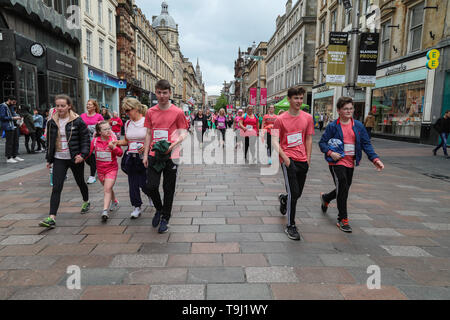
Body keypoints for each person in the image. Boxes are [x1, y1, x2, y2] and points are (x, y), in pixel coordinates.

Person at [319, 96, 384, 233]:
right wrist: (330, 153)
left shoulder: (359, 126)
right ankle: (343, 219)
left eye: (351, 108)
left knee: (343, 189)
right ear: (339, 110)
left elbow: (366, 144)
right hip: (337, 162)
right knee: (342, 185)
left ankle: (326, 197)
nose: (349, 111)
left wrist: (375, 159)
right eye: (345, 109)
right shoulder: (333, 126)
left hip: (350, 162)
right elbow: (322, 143)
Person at [143, 80, 188, 234]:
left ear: (170, 93)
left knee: (168, 188)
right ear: (155, 92)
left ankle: (165, 218)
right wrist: (145, 154)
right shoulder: (150, 112)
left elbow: (183, 133)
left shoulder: (178, 112)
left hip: (171, 155)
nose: (162, 96)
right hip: (154, 154)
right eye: (159, 92)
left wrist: (172, 144)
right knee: (151, 186)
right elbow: (148, 133)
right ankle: (159, 209)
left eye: (165, 93)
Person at [39, 94, 91, 229]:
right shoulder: (51, 122)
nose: (60, 108)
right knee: (56, 187)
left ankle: (86, 200)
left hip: (75, 158)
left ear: (69, 106)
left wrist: (82, 155)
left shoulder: (78, 121)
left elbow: (85, 140)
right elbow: (50, 142)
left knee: (80, 182)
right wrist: (49, 159)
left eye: (63, 106)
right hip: (59, 159)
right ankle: (51, 217)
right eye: (57, 106)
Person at [272, 87, 314, 241]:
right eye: (296, 98)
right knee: (294, 194)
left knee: (297, 194)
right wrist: (285, 158)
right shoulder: (280, 119)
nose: (299, 101)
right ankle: (290, 225)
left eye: (301, 98)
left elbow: (309, 138)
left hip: (303, 160)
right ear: (289, 99)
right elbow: (275, 141)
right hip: (288, 160)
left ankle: (284, 199)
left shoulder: (308, 118)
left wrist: (308, 158)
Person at [117, 98, 152, 219]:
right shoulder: (127, 124)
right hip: (131, 157)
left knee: (144, 183)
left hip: (144, 157)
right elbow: (127, 141)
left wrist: (146, 146)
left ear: (136, 108)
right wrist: (115, 143)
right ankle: (137, 207)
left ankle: (150, 195)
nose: (127, 113)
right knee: (133, 184)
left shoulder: (146, 122)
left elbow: (153, 139)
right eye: (125, 111)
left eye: (128, 110)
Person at [89, 121, 123, 221]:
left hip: (111, 169)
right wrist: (81, 157)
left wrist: (114, 147)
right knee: (108, 188)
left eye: (109, 128)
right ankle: (114, 201)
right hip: (100, 170)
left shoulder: (114, 140)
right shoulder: (95, 141)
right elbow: (88, 152)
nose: (108, 131)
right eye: (105, 129)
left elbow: (120, 153)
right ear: (99, 131)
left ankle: (104, 211)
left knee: (107, 189)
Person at [81, 100, 104, 184]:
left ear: (94, 107)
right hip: (84, 139)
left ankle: (92, 176)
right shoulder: (82, 115)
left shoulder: (99, 116)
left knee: (92, 157)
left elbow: (102, 127)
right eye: (87, 104)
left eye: (90, 104)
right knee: (86, 158)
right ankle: (97, 167)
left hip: (95, 140)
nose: (88, 106)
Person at [0, 96, 24, 163]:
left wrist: (18, 117)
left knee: (16, 141)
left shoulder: (11, 106)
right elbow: (2, 117)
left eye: (15, 102)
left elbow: (13, 114)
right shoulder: (3, 106)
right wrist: (13, 118)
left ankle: (15, 155)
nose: (14, 103)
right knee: (9, 142)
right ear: (9, 100)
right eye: (13, 102)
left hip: (14, 126)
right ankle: (8, 157)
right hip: (8, 126)